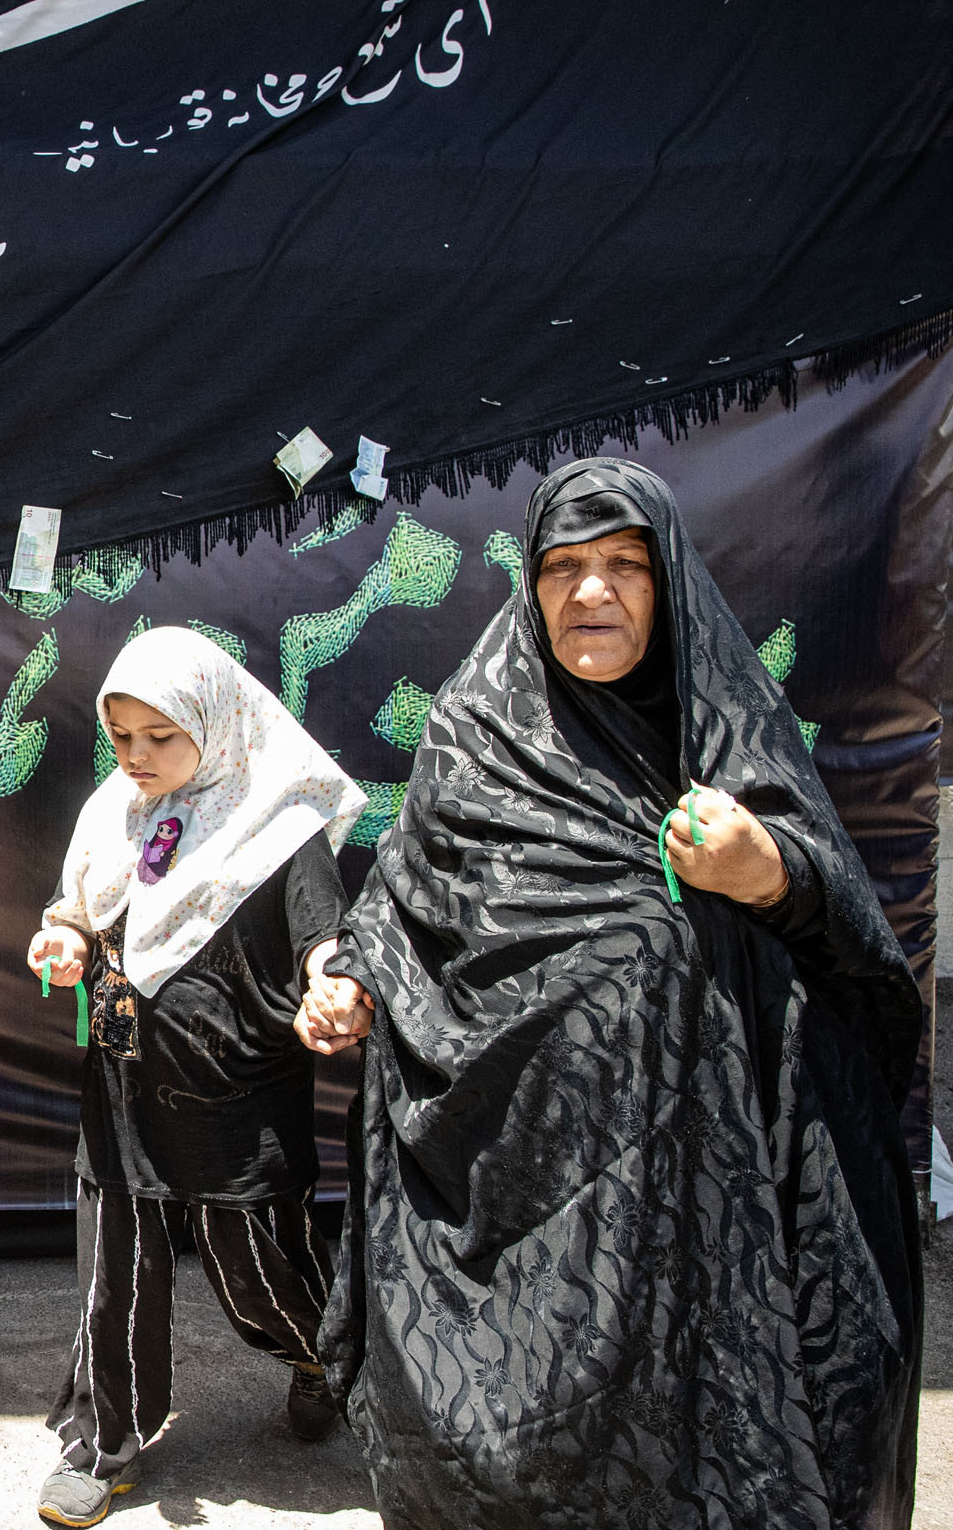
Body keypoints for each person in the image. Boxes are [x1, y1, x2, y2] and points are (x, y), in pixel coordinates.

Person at [306, 458, 923, 1529]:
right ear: (532, 583)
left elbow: (852, 946)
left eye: (625, 564)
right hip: (515, 1186)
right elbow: (406, 892)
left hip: (696, 1215)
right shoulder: (476, 727)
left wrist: (768, 872)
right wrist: (350, 972)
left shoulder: (721, 727)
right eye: (564, 566)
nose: (591, 591)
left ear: (667, 581)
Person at [26, 627, 364, 1529]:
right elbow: (79, 911)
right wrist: (63, 940)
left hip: (238, 1101)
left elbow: (323, 934)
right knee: (115, 1280)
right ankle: (103, 1443)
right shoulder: (114, 810)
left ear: (214, 722)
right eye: (120, 735)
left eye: (159, 736)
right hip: (123, 1092)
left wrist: (331, 982)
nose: (135, 756)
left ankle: (322, 1360)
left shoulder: (280, 821)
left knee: (261, 1272)